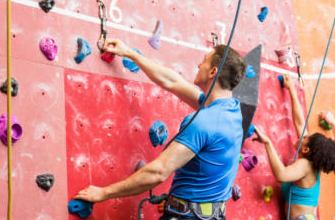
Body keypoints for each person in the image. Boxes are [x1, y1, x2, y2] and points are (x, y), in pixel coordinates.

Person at [75, 38, 247, 219]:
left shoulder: (205, 121)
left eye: (204, 60)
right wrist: (130, 53)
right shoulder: (231, 111)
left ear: (213, 71)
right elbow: (172, 81)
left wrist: (103, 193)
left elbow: (158, 172)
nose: (199, 64)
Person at [252, 75, 335, 220]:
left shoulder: (305, 165)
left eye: (304, 137)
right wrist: (291, 90)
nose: (302, 135)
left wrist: (267, 142)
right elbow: (300, 124)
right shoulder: (313, 159)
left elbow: (281, 175)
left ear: (306, 150)